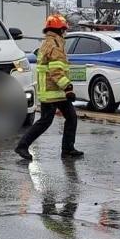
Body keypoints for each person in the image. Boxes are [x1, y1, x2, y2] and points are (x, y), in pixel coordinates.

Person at [15, 14, 83, 161]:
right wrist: (68, 87)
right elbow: (56, 71)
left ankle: (68, 149)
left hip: (53, 91)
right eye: (64, 29)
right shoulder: (55, 45)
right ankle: (23, 146)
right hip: (53, 91)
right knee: (47, 121)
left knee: (69, 117)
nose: (65, 32)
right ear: (59, 30)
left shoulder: (49, 42)